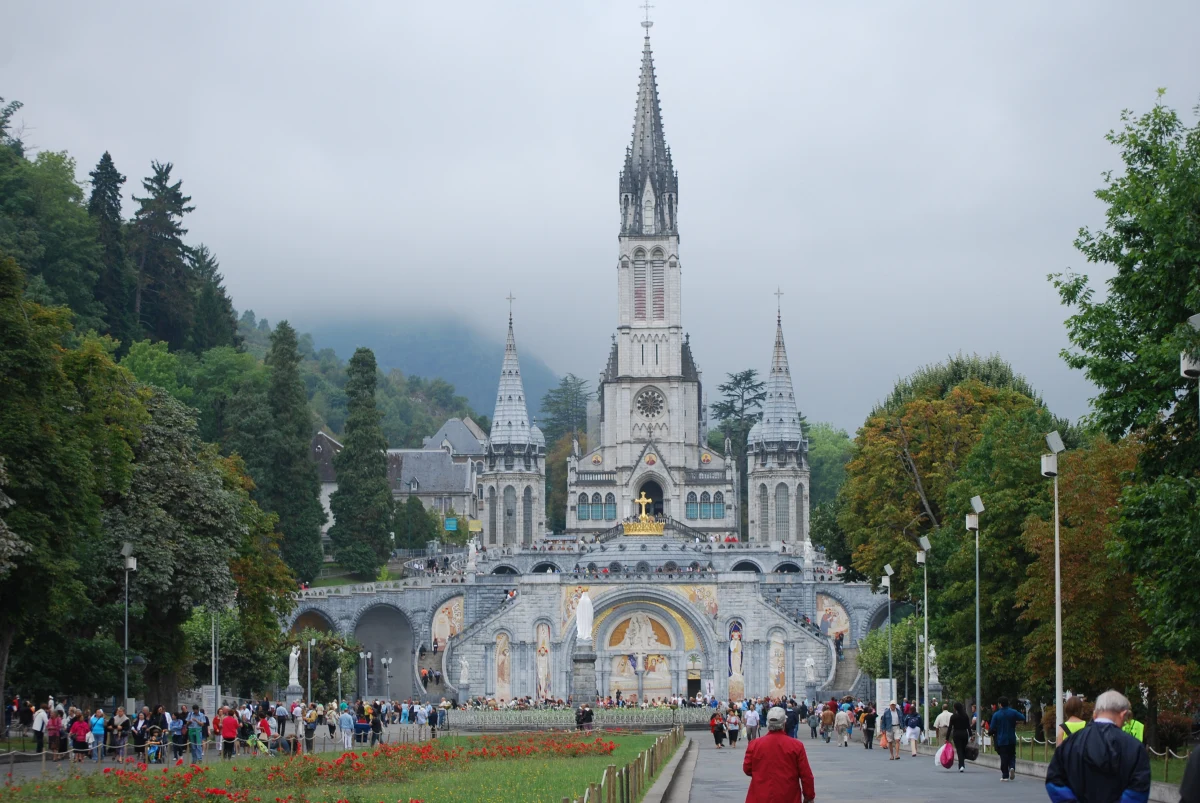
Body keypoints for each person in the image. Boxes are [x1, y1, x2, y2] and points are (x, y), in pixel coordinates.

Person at [1046, 689, 1150, 802]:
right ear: (1123, 714)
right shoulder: (1134, 747)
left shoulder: (1070, 743)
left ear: (1095, 714)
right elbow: (1138, 790)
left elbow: (1054, 781)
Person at [742, 707, 816, 803]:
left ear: (768, 723)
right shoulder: (796, 745)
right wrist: (809, 796)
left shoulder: (754, 744)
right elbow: (806, 775)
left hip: (760, 795)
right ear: (784, 723)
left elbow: (747, 769)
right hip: (788, 795)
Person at [988, 696, 1025, 781]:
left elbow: (992, 727)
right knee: (1012, 755)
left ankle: (1005, 775)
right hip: (1011, 738)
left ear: (1000, 704)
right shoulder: (1013, 712)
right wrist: (1015, 722)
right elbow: (1022, 718)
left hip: (1001, 739)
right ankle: (1012, 767)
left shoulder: (996, 714)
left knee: (1003, 757)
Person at [948, 702, 971, 772]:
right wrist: (971, 735)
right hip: (964, 733)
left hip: (956, 734)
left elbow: (950, 728)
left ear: (955, 708)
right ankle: (962, 763)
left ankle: (961, 765)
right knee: (963, 749)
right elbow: (968, 726)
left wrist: (947, 738)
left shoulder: (953, 717)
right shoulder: (965, 716)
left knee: (959, 749)